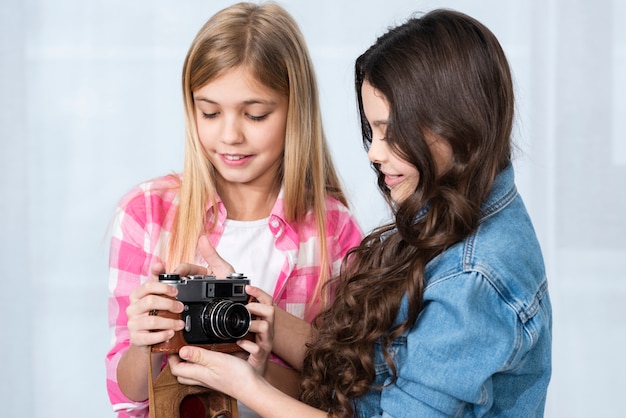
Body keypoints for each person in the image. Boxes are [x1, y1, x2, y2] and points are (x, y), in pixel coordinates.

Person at [167, 8, 553, 418]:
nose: (374, 151)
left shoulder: (474, 280)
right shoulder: (448, 209)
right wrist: (247, 309)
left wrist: (248, 387)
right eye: (373, 130)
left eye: (391, 130)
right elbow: (366, 376)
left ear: (455, 122)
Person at [105, 2, 362, 417]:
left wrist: (253, 335)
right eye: (209, 112)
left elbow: (341, 388)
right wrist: (145, 340)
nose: (229, 135)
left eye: (255, 114)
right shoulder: (147, 214)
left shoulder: (333, 232)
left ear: (295, 110)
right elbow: (130, 393)